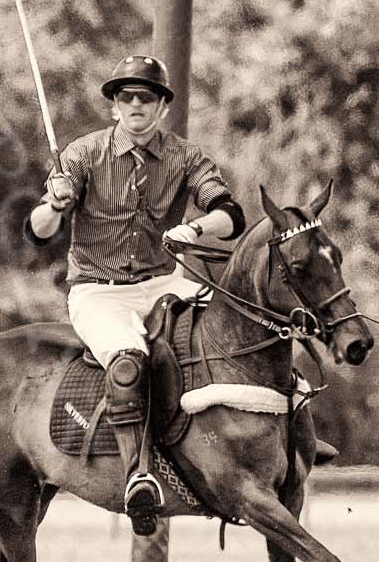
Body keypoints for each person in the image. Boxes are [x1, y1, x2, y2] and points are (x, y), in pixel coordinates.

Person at [27, 52, 242, 536]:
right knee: (128, 361)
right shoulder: (82, 155)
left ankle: (280, 433)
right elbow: (38, 230)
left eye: (147, 97)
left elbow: (230, 214)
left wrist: (196, 228)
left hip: (164, 282)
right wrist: (55, 204)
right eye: (127, 97)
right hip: (99, 292)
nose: (136, 105)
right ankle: (138, 473)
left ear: (162, 106)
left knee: (236, 327)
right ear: (114, 107)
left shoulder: (186, 157)